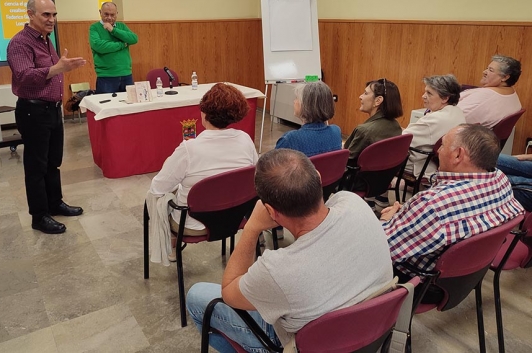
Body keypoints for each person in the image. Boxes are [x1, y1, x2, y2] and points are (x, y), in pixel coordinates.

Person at [187, 148, 393, 352]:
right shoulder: (353, 202)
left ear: (270, 211)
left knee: (197, 297)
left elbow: (229, 292)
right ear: (319, 179)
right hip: (369, 333)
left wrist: (251, 228)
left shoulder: (277, 270)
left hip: (301, 345)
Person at [381, 124, 524, 280]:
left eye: (442, 145)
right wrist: (411, 214)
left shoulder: (432, 205)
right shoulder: (500, 179)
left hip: (418, 282)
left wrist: (386, 220)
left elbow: (379, 250)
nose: (438, 151)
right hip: (465, 277)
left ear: (458, 155)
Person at [7, 0, 87, 234]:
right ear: (30, 15)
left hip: (51, 110)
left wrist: (59, 68)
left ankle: (55, 203)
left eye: (54, 14)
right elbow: (23, 75)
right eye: (46, 15)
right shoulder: (20, 43)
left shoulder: (46, 40)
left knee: (53, 162)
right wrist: (57, 68)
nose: (52, 19)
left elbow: (49, 73)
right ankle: (39, 216)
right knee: (36, 167)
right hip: (33, 111)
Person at [149, 83, 259, 235]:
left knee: (162, 200)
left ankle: (172, 252)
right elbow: (253, 176)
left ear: (204, 112)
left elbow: (157, 188)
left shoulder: (188, 149)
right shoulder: (245, 139)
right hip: (235, 217)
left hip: (194, 225)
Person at [402, 75, 466, 179]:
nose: (423, 96)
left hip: (418, 165)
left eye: (429, 93)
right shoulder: (457, 111)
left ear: (445, 98)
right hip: (437, 163)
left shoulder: (433, 120)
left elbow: (400, 141)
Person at [345, 78, 404, 166]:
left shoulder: (363, 131)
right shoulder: (396, 126)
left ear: (378, 101)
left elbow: (346, 162)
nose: (360, 96)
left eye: (365, 93)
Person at [275, 81, 341, 157]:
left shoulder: (290, 140)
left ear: (306, 105)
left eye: (296, 98)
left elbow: (271, 167)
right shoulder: (336, 132)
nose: (294, 101)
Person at [457, 55, 522, 128]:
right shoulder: (511, 92)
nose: (484, 72)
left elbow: (453, 119)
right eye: (487, 68)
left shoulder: (484, 97)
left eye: (491, 70)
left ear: (505, 77)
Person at [89, 1, 138, 94]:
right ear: (100, 12)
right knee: (106, 106)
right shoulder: (94, 27)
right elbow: (98, 46)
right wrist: (122, 44)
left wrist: (113, 30)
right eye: (106, 14)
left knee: (129, 107)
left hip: (126, 74)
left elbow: (134, 39)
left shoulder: (121, 26)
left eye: (112, 15)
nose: (109, 18)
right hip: (106, 76)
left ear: (117, 14)